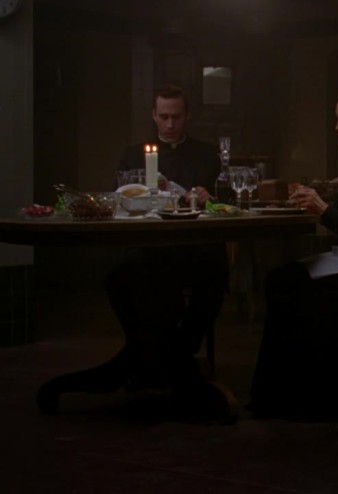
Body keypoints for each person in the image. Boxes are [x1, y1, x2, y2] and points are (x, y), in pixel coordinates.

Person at [247, 85, 338, 421]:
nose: (336, 126)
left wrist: (324, 209)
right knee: (281, 281)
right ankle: (285, 393)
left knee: (285, 284)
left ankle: (291, 396)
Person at [105, 84, 229, 390]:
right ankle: (140, 349)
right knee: (116, 275)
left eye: (176, 116)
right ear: (154, 115)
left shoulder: (206, 155)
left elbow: (224, 202)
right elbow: (119, 200)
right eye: (164, 117)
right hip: (147, 248)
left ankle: (182, 350)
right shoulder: (133, 156)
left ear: (187, 116)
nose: (170, 124)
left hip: (192, 249)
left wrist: (208, 197)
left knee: (217, 268)